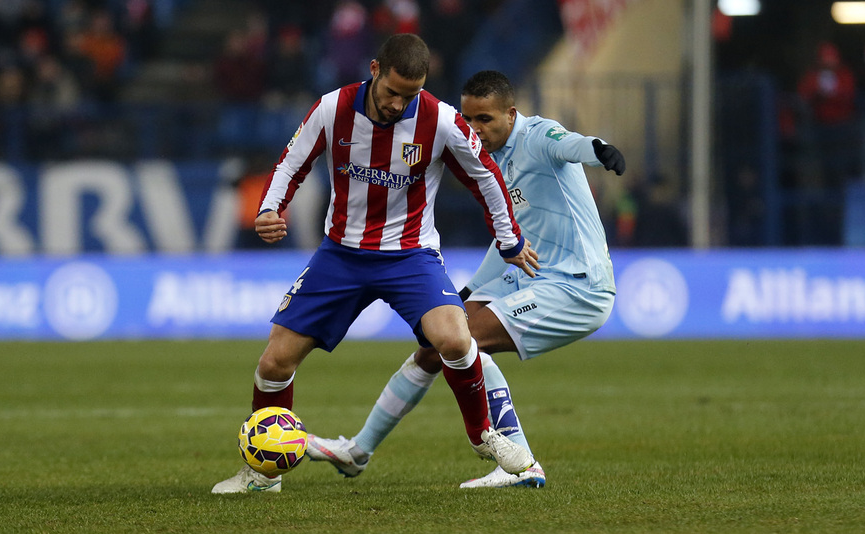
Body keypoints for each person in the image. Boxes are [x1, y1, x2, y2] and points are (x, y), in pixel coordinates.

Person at [212, 36, 540, 494]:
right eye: (392, 91)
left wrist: (509, 240)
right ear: (375, 69)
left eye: (410, 95)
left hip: (411, 255)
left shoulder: (440, 120)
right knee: (274, 362)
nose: (398, 103)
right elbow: (291, 163)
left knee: (454, 336)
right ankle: (263, 475)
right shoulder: (332, 108)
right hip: (341, 254)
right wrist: (270, 208)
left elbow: (486, 176)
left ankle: (485, 435)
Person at [306, 69, 626, 488]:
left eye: (485, 120)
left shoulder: (536, 136)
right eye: (468, 119)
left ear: (510, 114)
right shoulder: (486, 160)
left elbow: (570, 144)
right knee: (437, 344)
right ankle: (358, 451)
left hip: (579, 285)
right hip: (533, 275)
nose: (475, 129)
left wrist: (599, 150)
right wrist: (471, 289)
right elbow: (507, 239)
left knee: (465, 341)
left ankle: (522, 464)